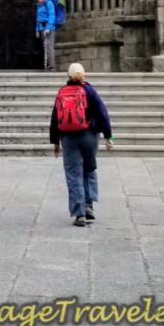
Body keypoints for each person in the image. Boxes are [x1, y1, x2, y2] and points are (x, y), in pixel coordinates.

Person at [49, 63, 114, 226]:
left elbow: (55, 118)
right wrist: (108, 136)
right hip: (89, 135)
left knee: (73, 173)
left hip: (68, 138)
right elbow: (102, 112)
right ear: (83, 75)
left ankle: (79, 214)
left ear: (68, 76)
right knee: (89, 168)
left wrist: (55, 142)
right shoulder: (89, 90)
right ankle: (88, 205)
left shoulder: (62, 92)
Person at [33, 0, 57, 72]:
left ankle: (52, 67)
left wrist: (48, 28)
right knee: (45, 47)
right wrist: (37, 29)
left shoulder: (49, 3)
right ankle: (47, 66)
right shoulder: (39, 5)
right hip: (42, 28)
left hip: (48, 29)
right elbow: (38, 18)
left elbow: (52, 15)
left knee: (49, 47)